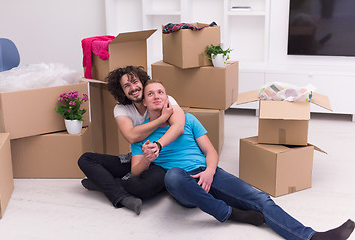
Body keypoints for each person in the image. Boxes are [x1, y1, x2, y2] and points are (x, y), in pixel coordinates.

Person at [130, 80, 355, 240]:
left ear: (168, 98)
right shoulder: (142, 134)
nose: (157, 96)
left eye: (161, 92)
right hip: (183, 184)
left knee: (261, 199)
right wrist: (149, 158)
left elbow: (211, 151)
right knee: (174, 175)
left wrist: (210, 171)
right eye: (151, 94)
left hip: (210, 174)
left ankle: (311, 237)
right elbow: (137, 171)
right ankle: (228, 213)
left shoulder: (187, 119)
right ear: (145, 102)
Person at [78, 66, 185, 215]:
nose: (133, 88)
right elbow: (131, 136)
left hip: (162, 159)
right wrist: (162, 118)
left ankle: (103, 183)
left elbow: (179, 126)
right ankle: (120, 196)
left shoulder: (164, 98)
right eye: (127, 86)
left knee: (141, 187)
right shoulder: (121, 109)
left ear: (142, 81)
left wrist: (156, 144)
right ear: (121, 91)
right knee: (85, 159)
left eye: (135, 82)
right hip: (137, 158)